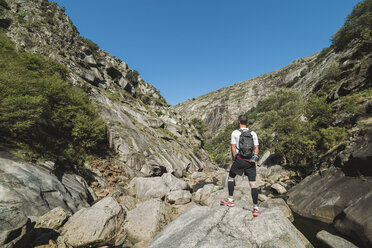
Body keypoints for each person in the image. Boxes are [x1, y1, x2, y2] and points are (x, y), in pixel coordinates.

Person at [220, 114, 260, 217]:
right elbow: (256, 148)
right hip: (250, 161)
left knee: (230, 178)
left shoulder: (235, 133)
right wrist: (254, 159)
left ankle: (230, 199)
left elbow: (233, 148)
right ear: (247, 122)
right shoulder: (253, 133)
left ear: (239, 121)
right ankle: (255, 208)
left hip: (240, 160)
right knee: (253, 184)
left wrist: (235, 159)